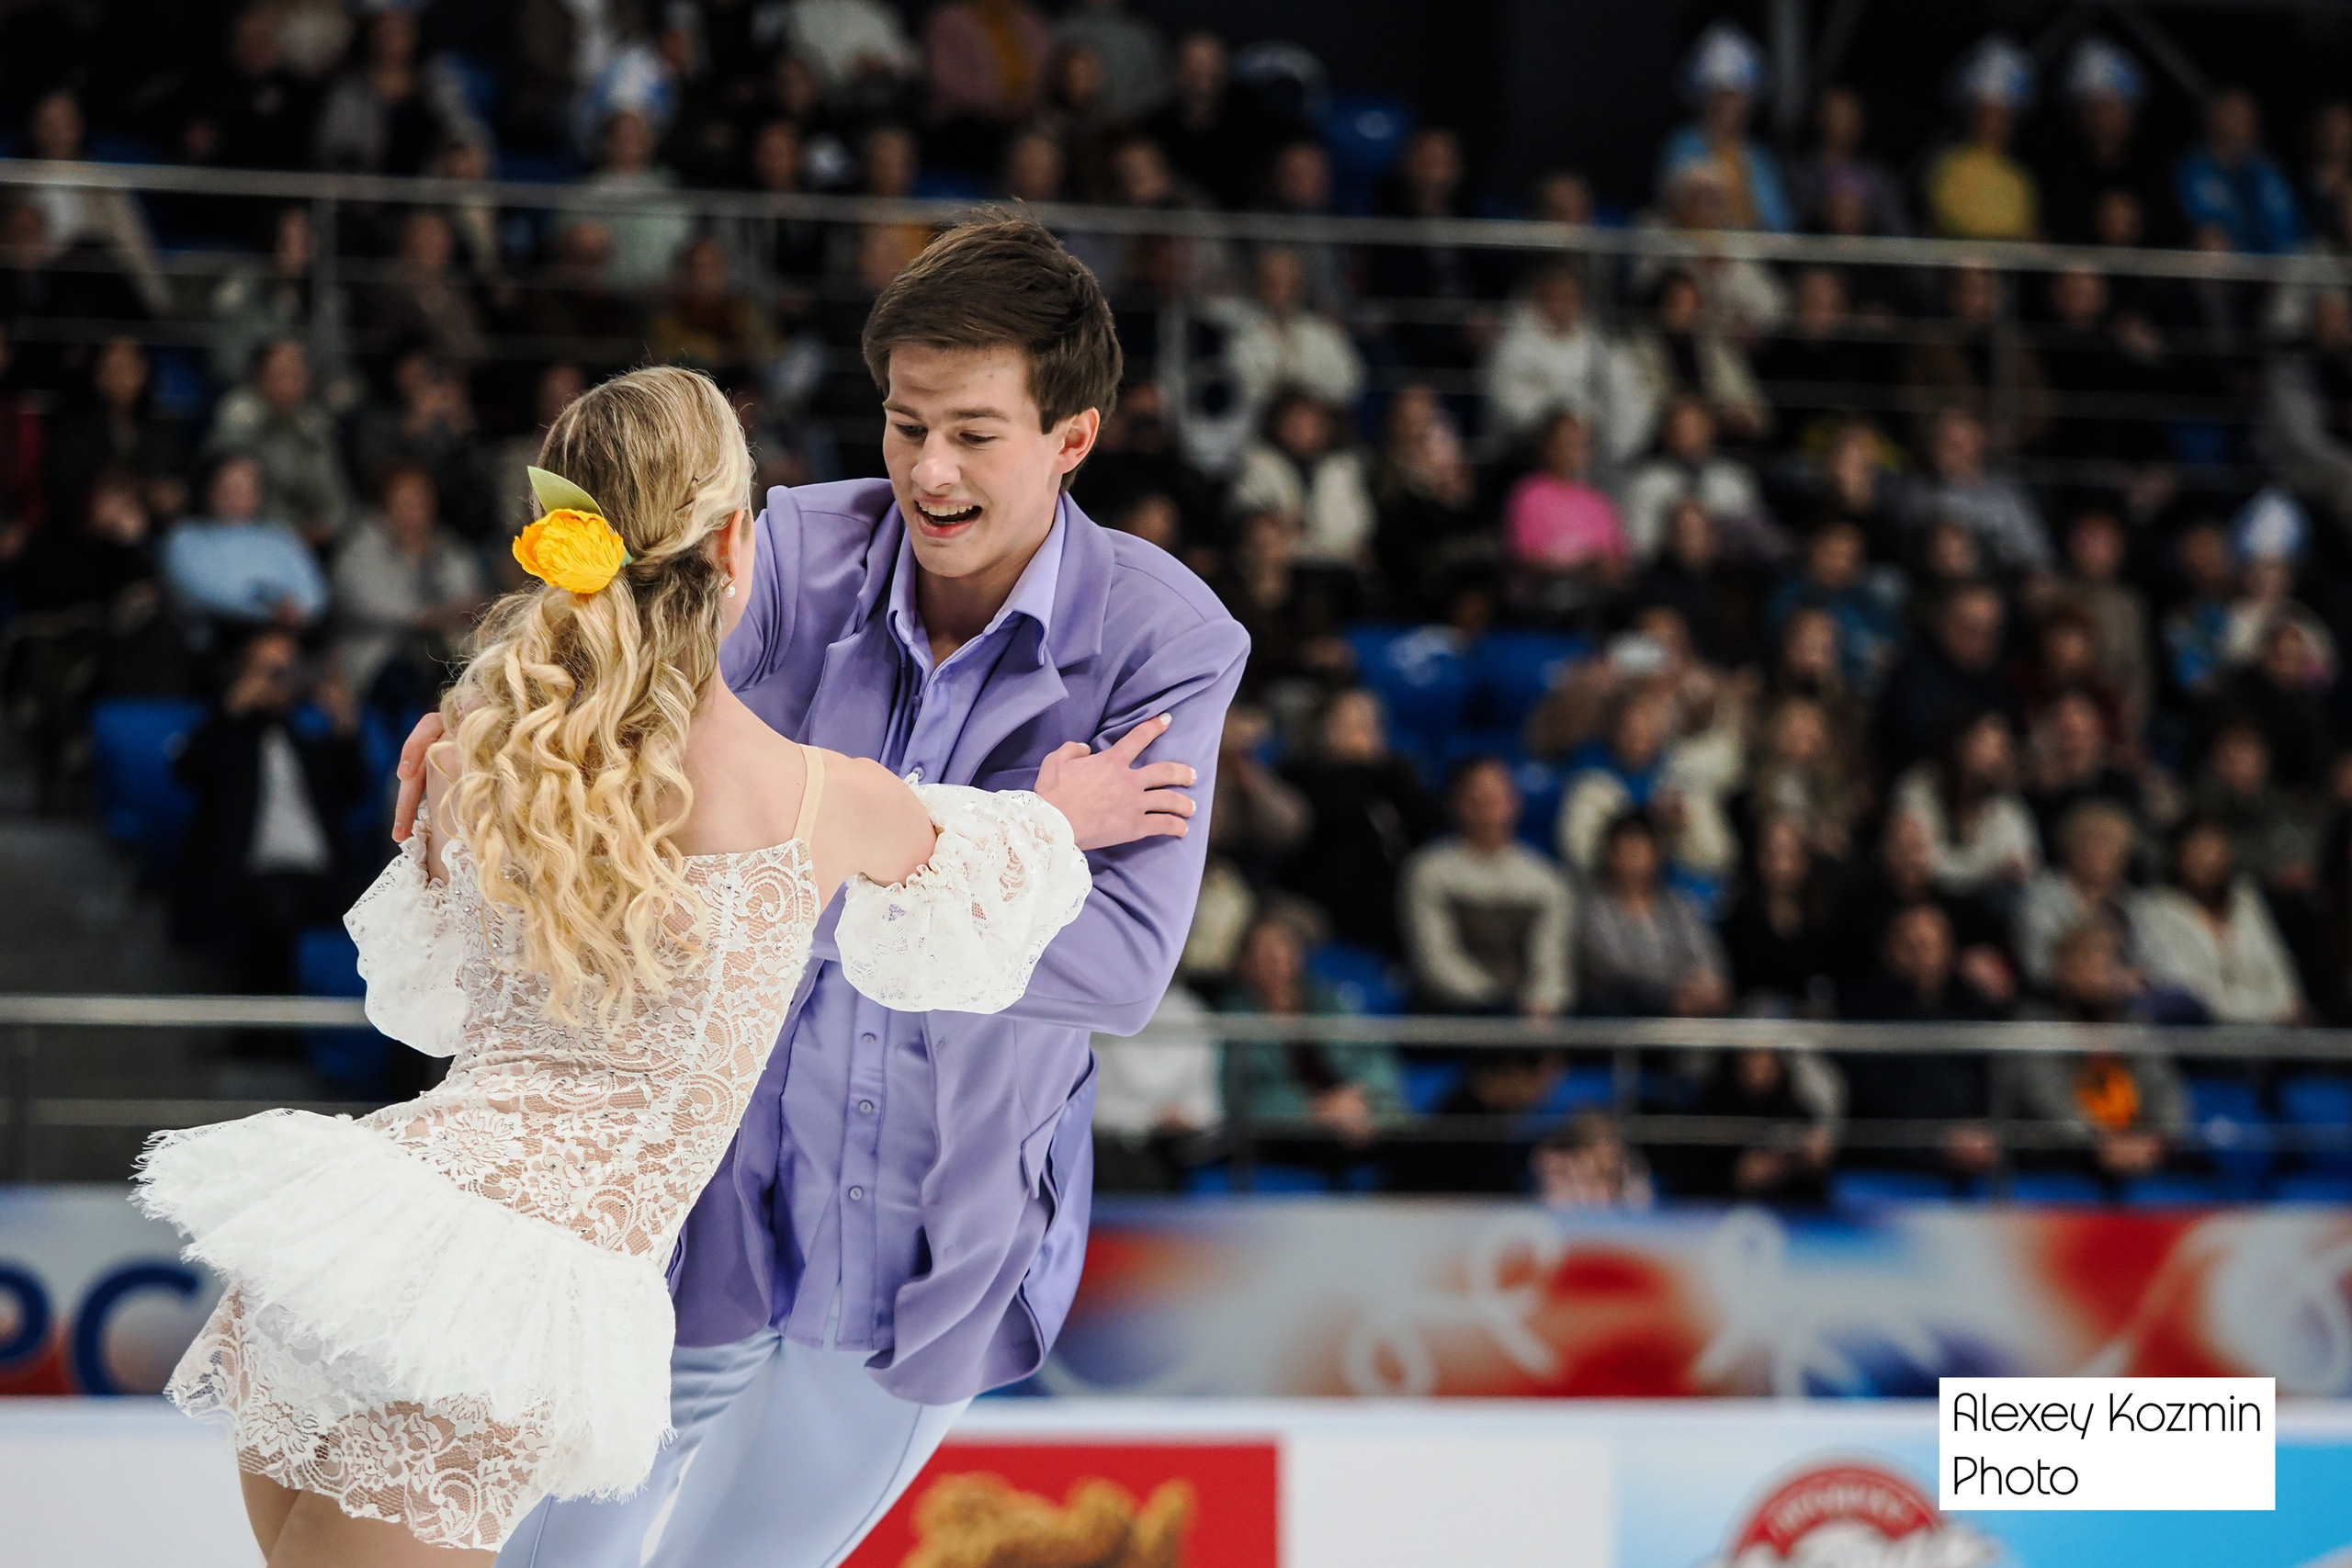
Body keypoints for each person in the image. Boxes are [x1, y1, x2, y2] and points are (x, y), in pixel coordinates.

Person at [138, 367, 1110, 1563]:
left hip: (382, 1234)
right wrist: (1066, 809)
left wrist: (473, 723)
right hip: (508, 1294)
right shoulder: (816, 799)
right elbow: (991, 875)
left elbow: (428, 992)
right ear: (736, 541)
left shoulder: (486, 743)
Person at [390, 219, 1247, 1568]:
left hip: (937, 1226)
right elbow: (619, 653)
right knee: (540, 1556)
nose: (926, 468)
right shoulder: (795, 542)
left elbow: (1120, 963)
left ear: (1071, 437)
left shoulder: (1168, 638)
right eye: (906, 424)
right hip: (699, 1191)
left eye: (973, 432)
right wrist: (487, 710)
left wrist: (765, 876)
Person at [166, 626, 368, 996]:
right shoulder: (229, 736)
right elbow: (189, 770)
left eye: (287, 670)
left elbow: (353, 791)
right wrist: (234, 709)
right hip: (251, 874)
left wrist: (343, 725)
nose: (279, 681)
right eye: (268, 670)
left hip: (319, 871)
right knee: (270, 915)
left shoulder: (309, 735)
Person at [1400, 756, 1576, 1018]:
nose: (1488, 808)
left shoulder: (1545, 879)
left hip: (1529, 1019)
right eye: (1477, 798)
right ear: (1456, 803)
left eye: (1497, 796)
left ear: (1515, 803)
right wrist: (1496, 1004)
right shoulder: (1429, 871)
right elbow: (1436, 961)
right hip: (1457, 1015)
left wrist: (1541, 1001)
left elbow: (1551, 961)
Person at [1279, 687, 1441, 956]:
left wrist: (1390, 772)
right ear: (1322, 728)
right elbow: (1327, 823)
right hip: (1320, 895)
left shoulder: (1391, 774)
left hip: (1387, 895)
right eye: (1350, 724)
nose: (1362, 734)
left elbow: (1426, 824)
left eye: (1369, 724)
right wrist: (1362, 768)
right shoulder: (1298, 775)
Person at [330, 461, 488, 701]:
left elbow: (471, 600)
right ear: (385, 504)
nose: (414, 508)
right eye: (404, 500)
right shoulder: (359, 550)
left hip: (447, 651)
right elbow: (381, 608)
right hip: (378, 658)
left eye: (421, 499)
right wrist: (436, 615)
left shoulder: (447, 545)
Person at [2128, 816, 2304, 1023]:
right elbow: (2189, 991)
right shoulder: (2153, 909)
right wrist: (2267, 1012)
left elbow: (2281, 978)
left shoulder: (2246, 901)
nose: (2206, 859)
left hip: (2268, 1037)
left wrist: (2280, 1008)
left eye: (2214, 848)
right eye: (2197, 848)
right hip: (2199, 1039)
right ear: (2178, 854)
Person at [1483, 261, 1655, 462]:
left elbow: (1627, 393)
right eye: (1555, 298)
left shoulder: (1598, 345)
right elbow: (1508, 401)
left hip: (1592, 448)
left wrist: (1598, 427)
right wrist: (1561, 427)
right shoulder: (1513, 346)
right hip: (1529, 452)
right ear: (1538, 299)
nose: (1563, 306)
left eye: (1570, 298)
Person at [1577, 810, 1730, 1018]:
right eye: (1627, 847)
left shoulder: (1680, 905)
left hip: (1687, 1008)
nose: (1635, 855)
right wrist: (1674, 993)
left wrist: (1707, 987)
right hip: (1622, 1012)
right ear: (1610, 853)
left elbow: (1707, 957)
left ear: (1658, 853)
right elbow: (1614, 968)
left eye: (1641, 846)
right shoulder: (1594, 908)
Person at [204, 338, 354, 547]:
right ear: (259, 376)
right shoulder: (239, 412)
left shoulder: (313, 421)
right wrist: (289, 533)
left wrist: (328, 524)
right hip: (252, 531)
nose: (291, 380)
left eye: (297, 371)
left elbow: (332, 487)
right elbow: (241, 489)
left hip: (307, 536)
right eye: (281, 371)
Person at [162, 454, 329, 634]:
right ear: (208, 489)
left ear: (258, 495)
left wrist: (296, 610)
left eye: (244, 487)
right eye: (227, 486)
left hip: (289, 632)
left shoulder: (281, 539)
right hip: (217, 636)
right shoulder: (184, 537)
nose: (234, 494)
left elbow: (314, 593)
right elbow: (196, 592)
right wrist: (267, 611)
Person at [1891, 710, 2043, 903]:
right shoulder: (1919, 786)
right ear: (1959, 745)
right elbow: (1920, 863)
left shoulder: (2008, 809)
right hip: (1924, 903)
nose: (1997, 757)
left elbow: (2025, 870)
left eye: (2001, 747)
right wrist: (1986, 872)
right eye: (1987, 745)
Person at [1655, 22, 1792, 232]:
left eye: (1737, 97)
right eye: (1721, 96)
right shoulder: (1682, 144)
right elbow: (1671, 202)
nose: (1728, 106)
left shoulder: (1760, 157)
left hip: (1747, 254)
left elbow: (1780, 222)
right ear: (1705, 98)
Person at [2014, 799, 2139, 992]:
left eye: (2108, 842)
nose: (2098, 851)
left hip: (2120, 1000)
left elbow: (2146, 961)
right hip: (2054, 995)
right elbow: (2036, 962)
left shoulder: (2132, 904)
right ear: (2069, 846)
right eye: (2089, 841)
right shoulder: (2042, 895)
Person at [1923, 37, 2040, 241]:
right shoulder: (1948, 165)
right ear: (1972, 118)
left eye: (2003, 118)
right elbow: (1951, 223)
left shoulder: (2019, 175)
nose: (1995, 125)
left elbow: (2028, 229)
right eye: (1988, 115)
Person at [2177, 87, 2301, 255]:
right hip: (2227, 265)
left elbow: (2288, 226)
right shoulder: (2191, 169)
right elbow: (2200, 222)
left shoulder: (2267, 171)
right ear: (2212, 119)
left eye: (2248, 117)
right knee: (2211, 245)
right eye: (2234, 116)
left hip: (2273, 266)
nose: (2243, 124)